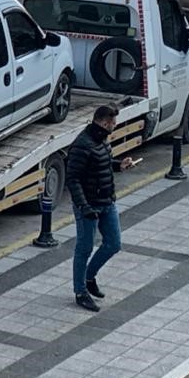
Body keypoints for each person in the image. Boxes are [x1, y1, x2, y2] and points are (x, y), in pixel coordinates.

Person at [65, 105, 134, 312]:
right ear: (104, 122)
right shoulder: (82, 145)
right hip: (89, 206)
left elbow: (102, 164)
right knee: (84, 248)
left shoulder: (101, 139)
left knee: (113, 243)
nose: (115, 125)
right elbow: (73, 178)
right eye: (113, 122)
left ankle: (89, 277)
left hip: (107, 201)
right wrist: (84, 206)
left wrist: (118, 165)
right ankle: (80, 291)